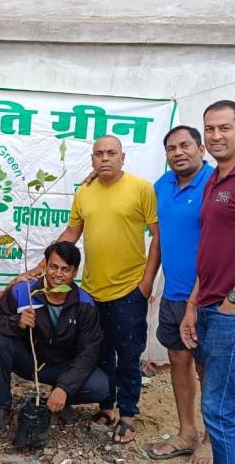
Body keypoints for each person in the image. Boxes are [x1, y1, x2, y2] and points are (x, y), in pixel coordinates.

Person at [147, 125, 235, 462]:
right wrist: (150, 279)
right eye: (171, 148)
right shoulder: (161, 186)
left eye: (186, 145)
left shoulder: (216, 182)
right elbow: (159, 235)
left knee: (212, 376)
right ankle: (187, 432)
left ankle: (213, 442)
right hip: (178, 294)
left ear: (200, 148)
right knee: (178, 360)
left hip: (215, 297)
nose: (179, 152)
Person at [51, 135, 160, 444]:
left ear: (122, 157)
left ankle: (127, 414)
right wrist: (45, 262)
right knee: (99, 353)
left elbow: (157, 234)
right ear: (92, 160)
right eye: (99, 153)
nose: (105, 158)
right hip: (92, 291)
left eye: (112, 153)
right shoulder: (85, 191)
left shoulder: (141, 188)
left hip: (129, 290)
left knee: (127, 355)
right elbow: (73, 231)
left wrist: (147, 281)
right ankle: (106, 407)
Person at [0, 241, 107, 435]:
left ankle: (60, 399)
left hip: (62, 367)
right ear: (45, 265)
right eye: (53, 266)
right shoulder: (24, 291)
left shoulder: (85, 304)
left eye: (66, 269)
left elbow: (88, 353)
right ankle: (2, 406)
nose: (58, 274)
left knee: (100, 387)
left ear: (75, 272)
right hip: (29, 362)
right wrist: (17, 322)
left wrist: (65, 387)